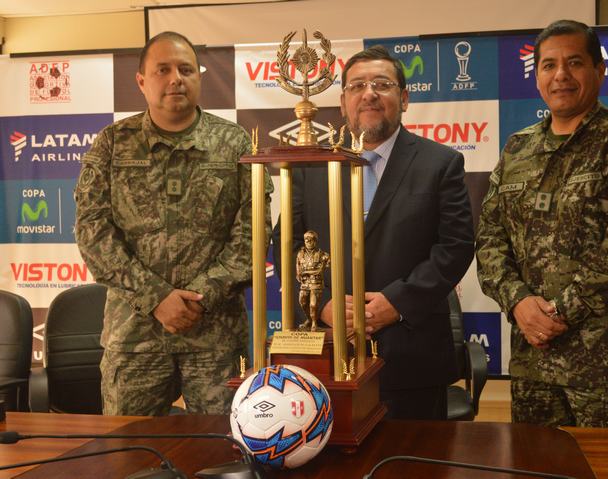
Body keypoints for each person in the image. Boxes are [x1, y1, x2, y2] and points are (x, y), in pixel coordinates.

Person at [475, 20, 608, 427]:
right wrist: (518, 301)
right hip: (534, 364)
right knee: (536, 460)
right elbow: (490, 237)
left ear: (599, 70)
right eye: (548, 65)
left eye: (574, 62)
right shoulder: (518, 148)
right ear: (537, 77)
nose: (560, 75)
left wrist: (555, 313)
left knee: (607, 463)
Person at [75, 31, 272, 416]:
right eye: (162, 70)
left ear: (199, 77)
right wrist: (157, 299)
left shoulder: (234, 143)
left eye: (186, 69)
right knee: (129, 448)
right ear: (141, 81)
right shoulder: (112, 144)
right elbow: (93, 234)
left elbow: (252, 237)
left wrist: (197, 299)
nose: (175, 79)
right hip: (134, 339)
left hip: (216, 340)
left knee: (220, 446)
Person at [272, 45, 475, 420]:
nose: (369, 94)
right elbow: (287, 245)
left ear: (405, 98)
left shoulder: (441, 163)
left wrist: (397, 303)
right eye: (357, 86)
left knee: (415, 455)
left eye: (382, 84)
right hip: (328, 356)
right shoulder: (312, 166)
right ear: (343, 102)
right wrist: (324, 304)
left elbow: (455, 247)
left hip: (411, 358)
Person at [296, 230, 330, 331]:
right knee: (302, 302)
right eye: (306, 239)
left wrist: (308, 272)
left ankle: (314, 323)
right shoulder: (300, 254)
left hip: (316, 283)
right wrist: (299, 274)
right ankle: (309, 319)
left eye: (311, 239)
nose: (308, 242)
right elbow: (298, 265)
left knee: (313, 304)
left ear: (315, 241)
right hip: (305, 283)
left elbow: (322, 268)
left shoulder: (322, 255)